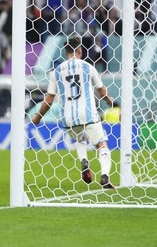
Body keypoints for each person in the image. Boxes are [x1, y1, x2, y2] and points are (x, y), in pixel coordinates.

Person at [31, 37, 116, 189]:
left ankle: (84, 161)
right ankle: (104, 176)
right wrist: (110, 101)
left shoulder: (56, 72)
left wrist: (38, 117)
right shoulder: (87, 67)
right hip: (88, 114)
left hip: (68, 117)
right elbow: (102, 90)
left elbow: (49, 99)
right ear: (80, 51)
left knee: (80, 139)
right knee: (101, 144)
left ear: (66, 52)